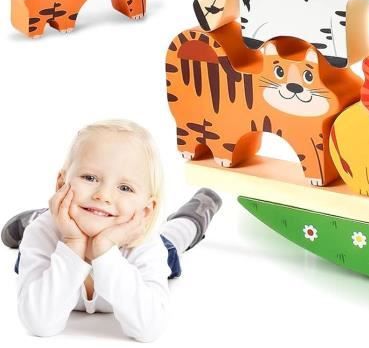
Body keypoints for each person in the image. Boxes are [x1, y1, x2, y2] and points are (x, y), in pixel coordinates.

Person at [1, 119, 222, 342]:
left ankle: (193, 216)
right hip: (57, 228)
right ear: (61, 185)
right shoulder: (42, 233)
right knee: (32, 244)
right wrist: (72, 243)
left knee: (170, 245)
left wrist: (105, 251)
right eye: (90, 178)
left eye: (125, 188)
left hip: (131, 234)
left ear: (146, 210)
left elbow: (149, 328)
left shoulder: (146, 244)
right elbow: (39, 322)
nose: (103, 195)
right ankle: (43, 214)